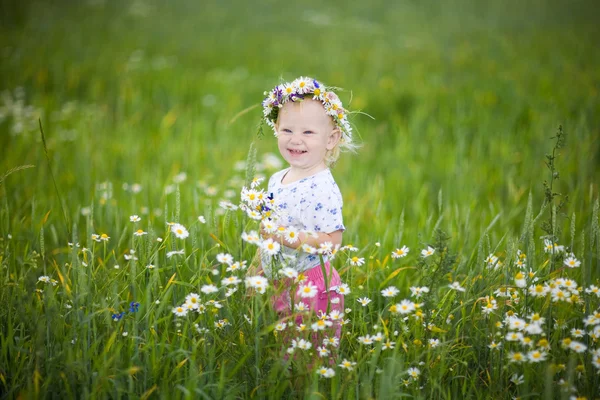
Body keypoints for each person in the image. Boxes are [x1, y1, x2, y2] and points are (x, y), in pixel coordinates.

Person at [248, 76, 358, 350]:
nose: (295, 140)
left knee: (310, 358)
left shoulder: (322, 188)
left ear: (331, 139)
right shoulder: (277, 178)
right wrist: (257, 267)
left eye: (308, 133)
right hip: (281, 281)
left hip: (313, 284)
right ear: (275, 129)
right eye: (287, 130)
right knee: (285, 352)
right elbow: (268, 231)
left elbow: (332, 241)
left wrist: (288, 237)